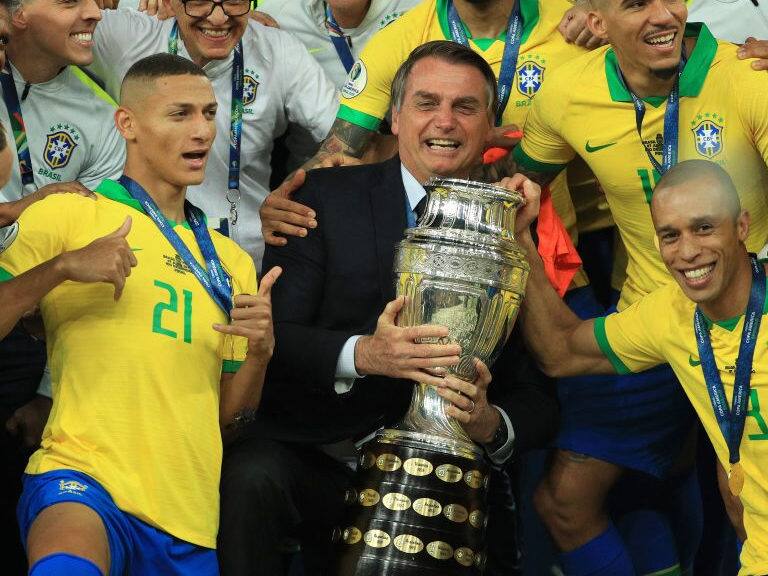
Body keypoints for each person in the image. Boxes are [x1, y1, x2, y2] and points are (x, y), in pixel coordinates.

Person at [219, 40, 558, 576]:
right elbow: (276, 336)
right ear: (395, 117)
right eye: (426, 103)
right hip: (321, 454)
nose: (444, 121)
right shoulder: (320, 198)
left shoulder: (510, 223)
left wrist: (490, 423)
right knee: (251, 476)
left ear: (489, 126)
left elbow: (538, 393)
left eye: (465, 107)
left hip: (444, 480)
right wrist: (365, 354)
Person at [476, 0, 768, 572]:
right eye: (636, 3)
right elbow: (515, 185)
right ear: (595, 21)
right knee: (572, 499)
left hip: (750, 319)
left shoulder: (749, 79)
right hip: (657, 326)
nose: (663, 14)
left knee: (738, 492)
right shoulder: (567, 93)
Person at [1, 53, 276, 576]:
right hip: (81, 478)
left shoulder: (232, 263)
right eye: (180, 114)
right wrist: (60, 268)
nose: (202, 131)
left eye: (209, 113)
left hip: (187, 518)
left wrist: (260, 354)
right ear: (127, 124)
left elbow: (227, 421)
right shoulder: (71, 213)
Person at [513, 158, 768, 576]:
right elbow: (562, 351)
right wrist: (520, 237)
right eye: (670, 235)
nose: (688, 251)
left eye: (704, 228)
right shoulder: (668, 313)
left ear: (741, 226)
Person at [86, 0, 339, 267]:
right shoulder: (125, 35)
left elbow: (351, 140)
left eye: (233, 1)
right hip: (141, 259)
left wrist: (292, 190)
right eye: (200, 1)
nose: (218, 18)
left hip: (248, 262)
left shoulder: (279, 50)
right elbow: (55, 21)